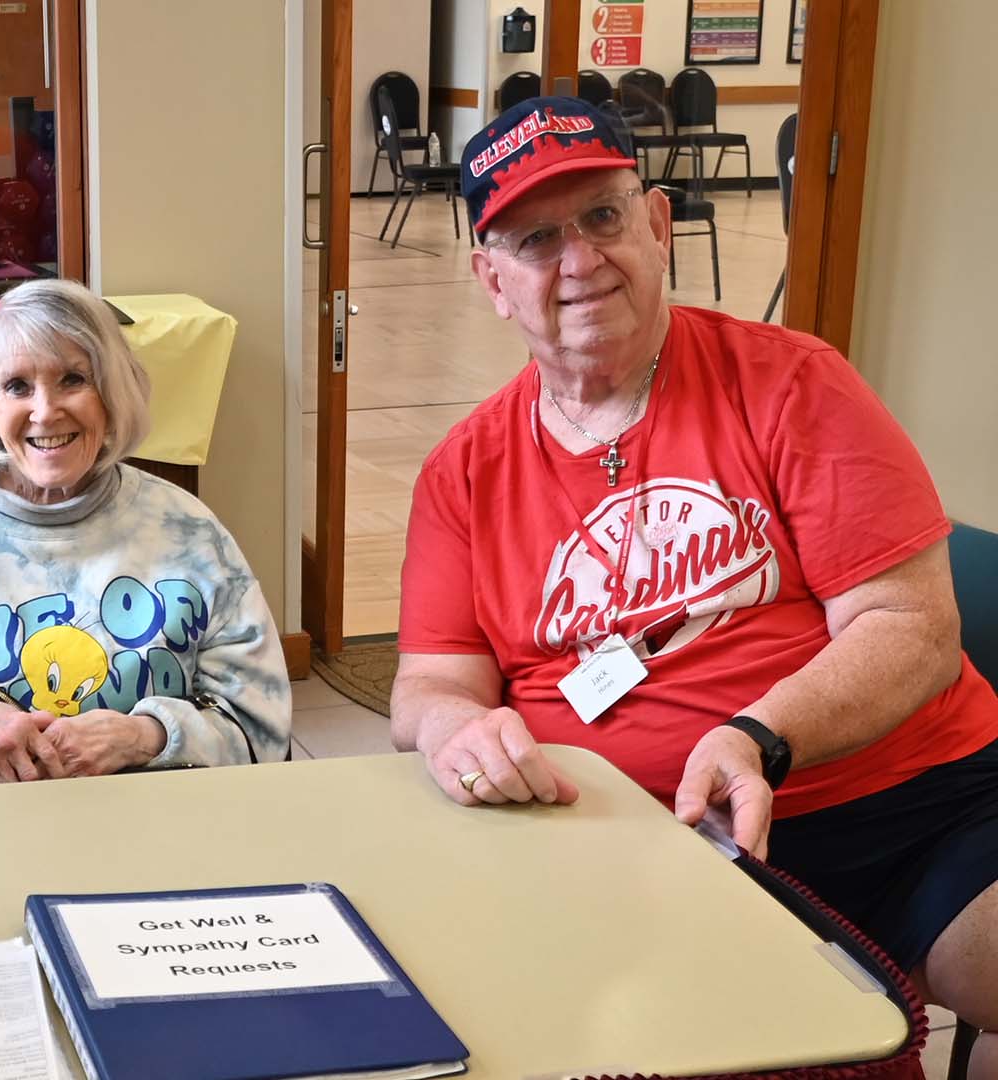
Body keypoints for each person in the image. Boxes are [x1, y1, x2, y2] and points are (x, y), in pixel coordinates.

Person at [392, 97, 998, 1066]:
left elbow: (912, 627)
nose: (580, 261)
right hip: (626, 845)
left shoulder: (794, 384)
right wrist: (458, 731)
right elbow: (428, 685)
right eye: (537, 239)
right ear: (492, 280)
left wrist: (757, 736)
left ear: (659, 224)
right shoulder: (464, 471)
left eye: (603, 217)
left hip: (903, 806)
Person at [0, 279, 291, 794]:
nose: (45, 411)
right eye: (17, 386)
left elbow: (261, 728)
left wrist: (145, 736)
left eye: (73, 379)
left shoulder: (189, 531)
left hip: (155, 830)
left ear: (113, 394)